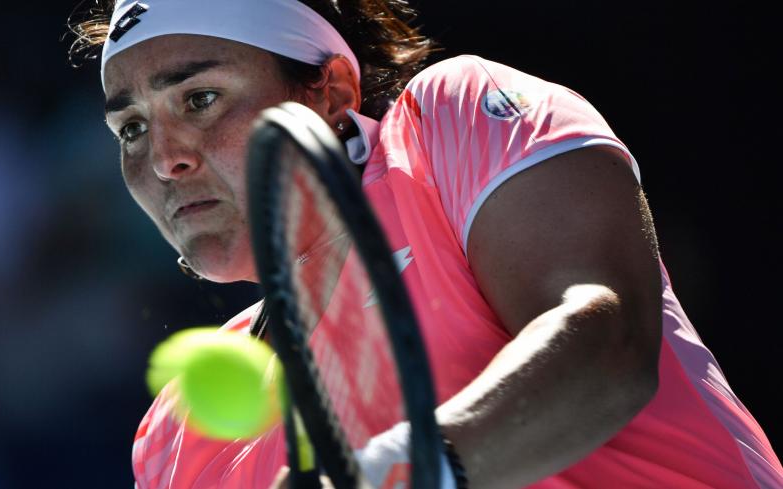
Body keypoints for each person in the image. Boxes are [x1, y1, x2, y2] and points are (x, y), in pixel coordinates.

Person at [70, 0, 782, 487]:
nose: (164, 158)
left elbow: (607, 346)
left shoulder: (451, 120)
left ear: (332, 91)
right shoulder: (173, 439)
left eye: (200, 99)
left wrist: (396, 470)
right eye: (130, 129)